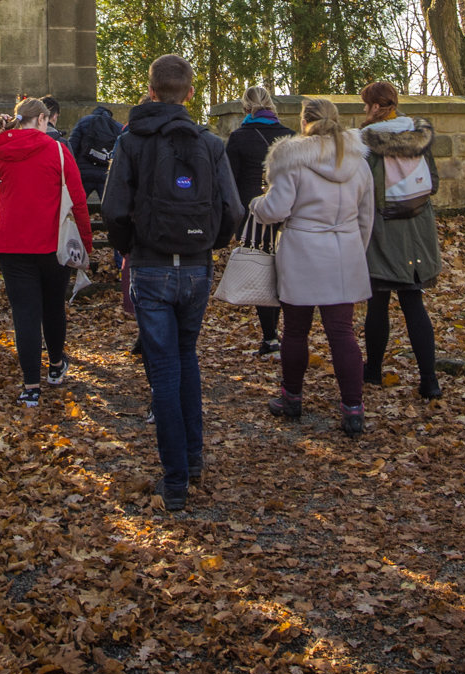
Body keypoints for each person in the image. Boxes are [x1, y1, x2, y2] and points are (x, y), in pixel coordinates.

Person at [102, 54, 244, 511]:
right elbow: (234, 211)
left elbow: (113, 210)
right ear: (188, 92)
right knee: (186, 355)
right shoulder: (210, 142)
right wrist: (209, 245)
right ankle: (194, 459)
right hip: (197, 267)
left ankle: (176, 480)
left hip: (151, 265)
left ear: (150, 90)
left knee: (164, 367)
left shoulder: (132, 141)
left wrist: (131, 249)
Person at [249, 96, 374, 436]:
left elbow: (275, 210)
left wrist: (256, 204)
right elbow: (366, 215)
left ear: (304, 120)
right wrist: (354, 249)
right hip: (344, 249)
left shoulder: (291, 160)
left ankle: (292, 397)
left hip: (302, 250)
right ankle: (353, 408)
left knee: (295, 330)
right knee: (342, 331)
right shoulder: (358, 161)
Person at [0, 96, 93, 407]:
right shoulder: (57, 149)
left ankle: (30, 386)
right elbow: (79, 199)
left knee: (25, 313)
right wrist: (85, 240)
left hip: (13, 244)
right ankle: (55, 367)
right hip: (52, 242)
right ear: (43, 120)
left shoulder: (4, 149)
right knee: (53, 306)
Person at [357, 81, 444, 399]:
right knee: (413, 301)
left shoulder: (366, 141)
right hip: (418, 228)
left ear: (377, 107)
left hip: (382, 229)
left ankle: (373, 373)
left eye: (367, 105)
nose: (364, 110)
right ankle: (429, 380)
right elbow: (432, 182)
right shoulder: (418, 136)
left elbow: (362, 188)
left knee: (377, 304)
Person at [223, 85, 294, 356]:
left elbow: (229, 179)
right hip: (286, 211)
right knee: (284, 271)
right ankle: (290, 332)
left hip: (253, 214)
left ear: (246, 108)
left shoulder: (239, 137)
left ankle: (270, 337)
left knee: (262, 271)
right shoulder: (289, 136)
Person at [68, 102, 125, 203]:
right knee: (108, 208)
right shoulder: (117, 127)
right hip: (105, 175)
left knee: (77, 206)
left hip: (84, 173)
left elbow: (72, 148)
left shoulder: (84, 121)